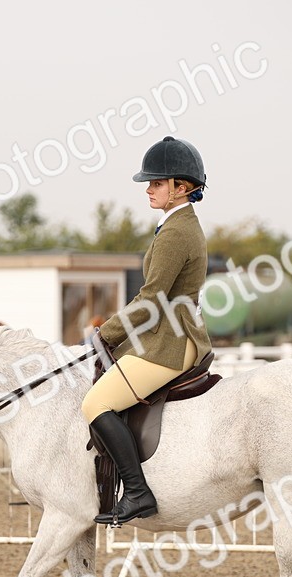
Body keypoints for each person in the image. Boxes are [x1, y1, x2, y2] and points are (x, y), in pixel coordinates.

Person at [82, 136, 213, 525]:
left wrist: (108, 332)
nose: (149, 189)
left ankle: (138, 493)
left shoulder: (176, 232)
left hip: (172, 341)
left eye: (157, 183)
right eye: (149, 183)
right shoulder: (175, 225)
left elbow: (152, 298)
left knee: (95, 404)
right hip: (164, 334)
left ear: (181, 187)